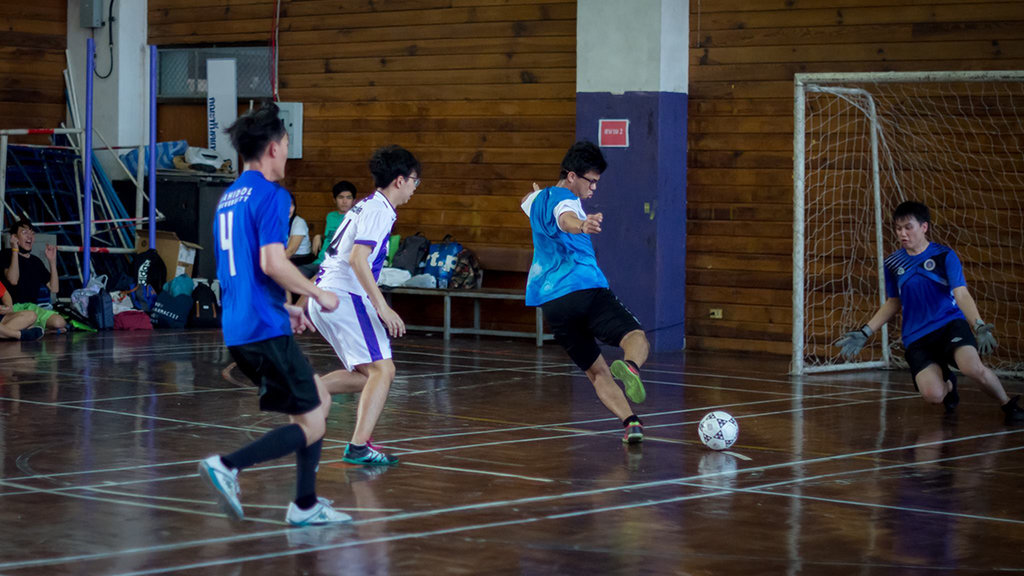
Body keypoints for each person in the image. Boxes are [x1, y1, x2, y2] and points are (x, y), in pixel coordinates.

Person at [197, 102, 351, 526]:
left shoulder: (228, 199)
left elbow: (239, 272)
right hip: (263, 330)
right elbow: (271, 262)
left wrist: (284, 306)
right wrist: (318, 294)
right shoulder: (272, 195)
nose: (286, 153)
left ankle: (305, 505)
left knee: (315, 403)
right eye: (285, 144)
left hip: (241, 326)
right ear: (272, 148)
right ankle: (228, 465)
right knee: (315, 419)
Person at [836, 201, 1024, 425]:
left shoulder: (945, 256)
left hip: (949, 325)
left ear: (924, 227)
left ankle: (1008, 404)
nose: (902, 233)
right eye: (898, 228)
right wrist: (865, 331)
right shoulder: (892, 263)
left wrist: (979, 325)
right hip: (917, 337)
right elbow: (893, 302)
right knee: (933, 395)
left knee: (972, 368)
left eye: (908, 227)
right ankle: (949, 384)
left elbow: (961, 294)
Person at [520, 140, 650, 444]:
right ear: (571, 176)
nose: (593, 188)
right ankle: (631, 367)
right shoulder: (566, 199)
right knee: (635, 336)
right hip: (584, 288)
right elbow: (566, 219)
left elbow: (525, 200)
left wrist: (535, 195)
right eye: (590, 181)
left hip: (552, 303)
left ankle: (630, 423)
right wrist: (582, 225)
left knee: (597, 372)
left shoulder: (537, 201)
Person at [308, 145, 420, 466]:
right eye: (415, 181)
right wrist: (382, 306)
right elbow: (358, 259)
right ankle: (359, 447)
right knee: (384, 369)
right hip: (344, 295)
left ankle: (307, 388)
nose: (415, 188)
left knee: (368, 375)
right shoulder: (379, 209)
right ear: (400, 180)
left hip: (328, 295)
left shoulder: (366, 206)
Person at [1, 222, 67, 332]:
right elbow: (13, 280)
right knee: (30, 317)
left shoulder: (36, 261)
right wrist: (15, 250)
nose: (30, 236)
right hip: (13, 308)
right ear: (14, 237)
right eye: (24, 232)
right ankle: (30, 329)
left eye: (32, 233)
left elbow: (54, 288)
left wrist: (52, 262)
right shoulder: (6, 254)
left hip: (31, 308)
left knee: (59, 322)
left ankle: (33, 329)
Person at [304, 180, 357, 278]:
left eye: (348, 197)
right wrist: (319, 236)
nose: (344, 201)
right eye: (340, 197)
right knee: (287, 276)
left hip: (333, 266)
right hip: (318, 262)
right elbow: (330, 236)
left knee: (309, 284)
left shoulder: (356, 219)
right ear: (334, 200)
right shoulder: (330, 216)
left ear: (354, 201)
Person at [285, 192, 314, 267]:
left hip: (300, 261)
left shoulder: (299, 222)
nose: (288, 208)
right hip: (286, 259)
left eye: (291, 204)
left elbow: (291, 251)